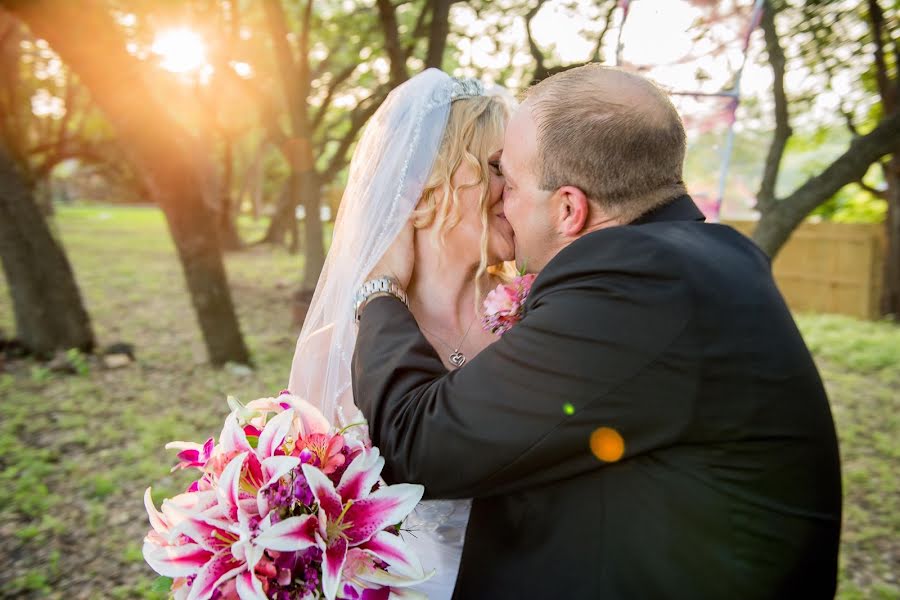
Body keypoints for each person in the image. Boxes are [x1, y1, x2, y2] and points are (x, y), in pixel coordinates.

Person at [352, 64, 843, 598]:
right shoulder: (703, 257)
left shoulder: (635, 285)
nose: (502, 201)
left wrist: (378, 290)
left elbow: (420, 445)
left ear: (569, 208)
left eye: (509, 182)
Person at [287, 68, 513, 599]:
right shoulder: (336, 344)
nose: (520, 190)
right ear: (427, 184)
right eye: (500, 168)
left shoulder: (535, 321)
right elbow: (304, 513)